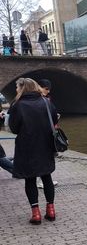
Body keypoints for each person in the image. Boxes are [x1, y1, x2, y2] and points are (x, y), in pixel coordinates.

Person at [8, 77, 59, 224]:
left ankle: (35, 214)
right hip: (45, 145)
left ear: (23, 88)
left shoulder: (18, 105)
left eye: (17, 87)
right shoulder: (46, 102)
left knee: (30, 179)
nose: (16, 90)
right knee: (46, 176)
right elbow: (54, 120)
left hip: (27, 147)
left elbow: (14, 128)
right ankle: (51, 210)